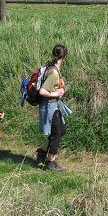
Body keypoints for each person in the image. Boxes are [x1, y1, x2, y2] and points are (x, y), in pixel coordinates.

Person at [34, 44, 70, 172]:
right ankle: (51, 163)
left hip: (54, 106)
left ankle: (42, 153)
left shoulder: (50, 66)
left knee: (61, 130)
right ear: (64, 56)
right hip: (50, 107)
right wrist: (56, 93)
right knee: (56, 134)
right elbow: (43, 91)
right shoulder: (54, 72)